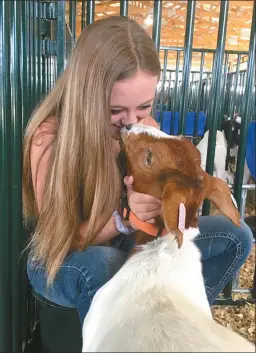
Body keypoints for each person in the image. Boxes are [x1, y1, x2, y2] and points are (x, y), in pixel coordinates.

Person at [23, 16, 253, 326]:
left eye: (144, 106)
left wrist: (156, 196)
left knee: (237, 235)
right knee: (105, 265)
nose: (131, 120)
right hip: (64, 259)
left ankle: (176, 328)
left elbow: (161, 218)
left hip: (123, 245)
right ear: (86, 97)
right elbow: (59, 240)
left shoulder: (145, 132)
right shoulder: (49, 140)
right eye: (115, 110)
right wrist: (125, 217)